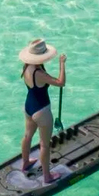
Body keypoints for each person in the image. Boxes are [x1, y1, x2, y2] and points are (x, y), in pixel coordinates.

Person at [18, 38, 66, 184]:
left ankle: (25, 163)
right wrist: (62, 64)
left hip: (29, 107)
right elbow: (60, 83)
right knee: (44, 144)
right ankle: (47, 176)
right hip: (41, 110)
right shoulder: (39, 73)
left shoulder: (27, 68)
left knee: (27, 136)